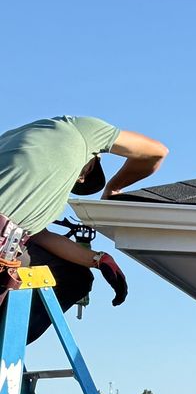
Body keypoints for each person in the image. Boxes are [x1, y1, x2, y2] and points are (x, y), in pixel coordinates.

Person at [0, 116, 165, 334]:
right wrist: (113, 189)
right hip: (6, 244)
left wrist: (99, 259)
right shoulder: (80, 129)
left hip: (10, 240)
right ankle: (7, 344)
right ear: (93, 159)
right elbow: (155, 152)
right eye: (82, 176)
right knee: (73, 279)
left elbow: (41, 237)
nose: (79, 177)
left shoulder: (12, 142)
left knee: (74, 274)